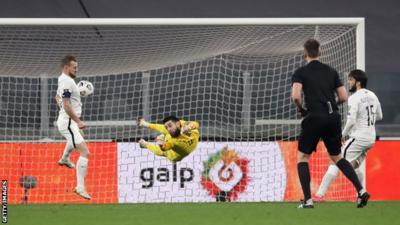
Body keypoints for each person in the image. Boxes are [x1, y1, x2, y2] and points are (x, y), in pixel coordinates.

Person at [291, 39, 369, 208]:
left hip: (314, 116)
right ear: (320, 53)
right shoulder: (331, 71)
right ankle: (361, 191)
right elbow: (343, 97)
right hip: (333, 117)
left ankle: (308, 200)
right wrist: (330, 105)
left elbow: (296, 96)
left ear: (305, 54)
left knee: (303, 157)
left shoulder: (301, 72)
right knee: (337, 157)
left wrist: (301, 109)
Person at [314, 69, 383, 201]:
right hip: (370, 138)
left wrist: (343, 134)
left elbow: (351, 121)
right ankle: (360, 195)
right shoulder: (373, 95)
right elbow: (380, 115)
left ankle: (319, 195)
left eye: (351, 80)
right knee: (354, 166)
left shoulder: (354, 97)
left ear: (358, 82)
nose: (348, 82)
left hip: (359, 137)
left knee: (336, 161)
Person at [55, 55, 91, 200]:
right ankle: (80, 187)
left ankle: (64, 158)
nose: (76, 69)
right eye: (74, 67)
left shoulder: (63, 80)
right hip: (69, 122)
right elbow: (67, 105)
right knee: (85, 153)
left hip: (69, 122)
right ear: (66, 67)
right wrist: (78, 121)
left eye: (77, 66)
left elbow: (58, 98)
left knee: (78, 138)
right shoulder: (67, 82)